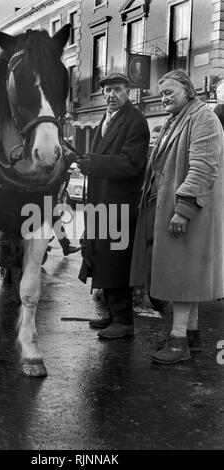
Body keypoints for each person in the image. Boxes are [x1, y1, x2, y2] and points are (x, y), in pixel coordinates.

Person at [130, 70, 224, 364]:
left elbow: (203, 168)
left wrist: (183, 210)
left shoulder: (203, 118)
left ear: (188, 90)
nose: (164, 97)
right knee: (187, 275)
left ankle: (178, 341)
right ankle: (191, 335)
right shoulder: (178, 119)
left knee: (182, 276)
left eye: (170, 92)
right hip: (173, 208)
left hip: (188, 212)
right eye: (162, 93)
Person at [75, 71, 150, 339]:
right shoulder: (103, 121)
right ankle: (111, 312)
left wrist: (93, 163)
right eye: (107, 90)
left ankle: (123, 320)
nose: (111, 95)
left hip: (119, 204)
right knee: (101, 256)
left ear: (127, 92)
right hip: (101, 202)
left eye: (117, 90)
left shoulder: (136, 121)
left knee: (116, 261)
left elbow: (132, 163)